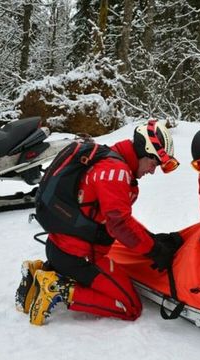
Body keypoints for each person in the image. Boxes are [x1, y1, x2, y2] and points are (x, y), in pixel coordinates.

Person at [16, 120, 183, 326]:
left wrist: (151, 239)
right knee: (130, 306)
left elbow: (115, 217)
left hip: (61, 248)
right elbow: (119, 224)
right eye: (154, 163)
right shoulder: (116, 171)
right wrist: (154, 249)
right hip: (81, 256)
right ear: (145, 152)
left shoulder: (108, 158)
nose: (152, 170)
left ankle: (38, 272)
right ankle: (57, 289)